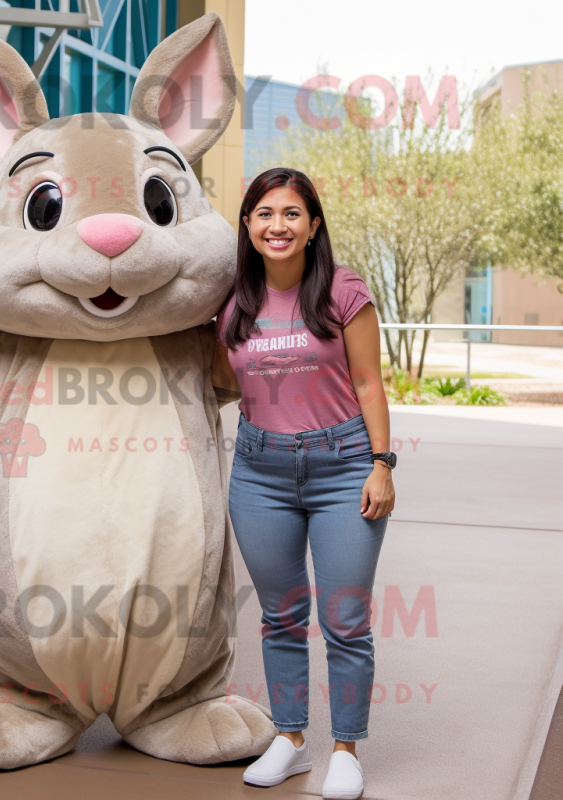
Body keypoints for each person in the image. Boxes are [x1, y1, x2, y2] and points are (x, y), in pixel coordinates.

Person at [212, 168, 396, 799]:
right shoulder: (233, 303)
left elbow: (369, 383)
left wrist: (382, 463)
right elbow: (222, 382)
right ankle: (290, 739)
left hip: (345, 465)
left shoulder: (344, 292)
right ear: (247, 225)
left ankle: (346, 749)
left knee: (345, 617)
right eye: (265, 213)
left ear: (314, 225)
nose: (278, 225)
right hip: (260, 469)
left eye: (292, 214)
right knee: (280, 615)